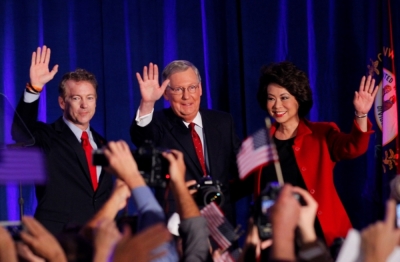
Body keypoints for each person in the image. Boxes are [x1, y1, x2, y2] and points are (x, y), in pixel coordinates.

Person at [255, 61, 377, 247]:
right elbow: (243, 183)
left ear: (299, 98)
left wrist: (361, 115)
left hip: (322, 236)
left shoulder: (322, 133)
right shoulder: (260, 141)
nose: (277, 105)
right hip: (279, 240)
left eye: (284, 97)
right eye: (271, 98)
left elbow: (354, 147)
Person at [12, 46, 113, 235]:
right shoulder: (47, 136)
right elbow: (20, 132)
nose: (84, 105)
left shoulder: (103, 144)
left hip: (96, 242)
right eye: (76, 98)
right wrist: (35, 88)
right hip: (57, 240)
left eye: (89, 98)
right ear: (61, 102)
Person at [130, 61, 242, 224]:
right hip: (179, 222)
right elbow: (141, 138)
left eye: (192, 87)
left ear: (200, 89)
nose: (186, 96)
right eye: (178, 89)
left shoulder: (223, 122)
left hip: (221, 220)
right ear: (166, 94)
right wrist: (147, 103)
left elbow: (239, 168)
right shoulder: (159, 124)